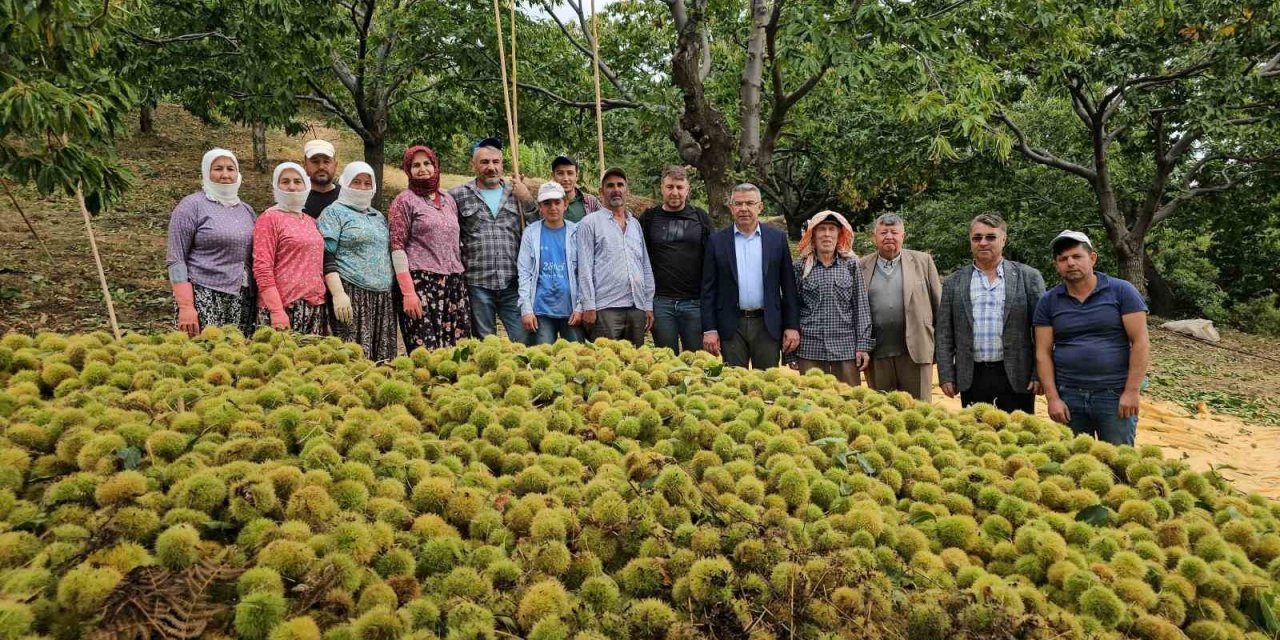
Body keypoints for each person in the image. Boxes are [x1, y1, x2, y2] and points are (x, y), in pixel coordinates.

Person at [1034, 230, 1150, 445]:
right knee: (1074, 461)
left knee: (1118, 460)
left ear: (1092, 258)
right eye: (1063, 259)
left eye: (1077, 256)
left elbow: (1140, 343)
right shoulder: (1049, 301)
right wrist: (1053, 399)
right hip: (1069, 395)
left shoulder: (1122, 291)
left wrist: (1132, 391)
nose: (1070, 263)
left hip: (1113, 394)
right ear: (1056, 265)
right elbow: (1043, 352)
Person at [936, 213, 1046, 413]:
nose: (983, 243)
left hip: (1017, 376)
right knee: (977, 438)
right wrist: (946, 375)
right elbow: (944, 333)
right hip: (972, 377)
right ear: (970, 241)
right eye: (977, 238)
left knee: (1020, 439)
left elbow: (1042, 332)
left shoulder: (1028, 277)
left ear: (1004, 239)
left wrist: (1039, 373)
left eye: (990, 237)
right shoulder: (954, 282)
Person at [448, 138, 538, 343]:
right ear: (473, 165)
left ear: (502, 164)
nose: (491, 167)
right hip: (477, 282)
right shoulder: (458, 195)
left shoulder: (516, 191)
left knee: (523, 341)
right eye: (484, 162)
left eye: (495, 162)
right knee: (486, 344)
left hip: (512, 281)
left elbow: (537, 228)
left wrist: (527, 199)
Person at [701, 184, 799, 369]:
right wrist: (710, 329)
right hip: (731, 325)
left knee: (767, 384)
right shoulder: (717, 241)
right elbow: (708, 289)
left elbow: (789, 287)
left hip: (767, 324)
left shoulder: (776, 239)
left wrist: (791, 325)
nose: (743, 208)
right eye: (738, 203)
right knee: (734, 385)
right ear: (731, 208)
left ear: (760, 207)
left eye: (749, 203)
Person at [166, 148, 257, 337]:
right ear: (206, 172)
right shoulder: (191, 206)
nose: (225, 175)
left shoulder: (246, 211)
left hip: (241, 295)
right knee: (204, 353)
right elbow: (176, 258)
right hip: (204, 294)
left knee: (237, 356)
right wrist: (185, 305)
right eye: (218, 169)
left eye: (230, 169)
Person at [388, 145, 470, 351]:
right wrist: (408, 292)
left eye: (427, 163)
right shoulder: (404, 201)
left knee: (457, 351)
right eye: (416, 165)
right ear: (408, 170)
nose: (423, 169)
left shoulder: (448, 199)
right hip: (422, 284)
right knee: (426, 352)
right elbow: (397, 247)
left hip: (453, 282)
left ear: (435, 166)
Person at [858, 214, 942, 401]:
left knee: (920, 413)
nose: (889, 236)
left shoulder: (923, 262)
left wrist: (940, 350)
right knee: (880, 413)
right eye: (883, 232)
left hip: (916, 352)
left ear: (903, 235)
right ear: (874, 237)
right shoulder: (861, 265)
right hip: (877, 354)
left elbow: (939, 308)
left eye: (894, 232)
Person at [318, 162, 397, 360]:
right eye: (356, 182)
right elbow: (326, 254)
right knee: (353, 359)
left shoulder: (378, 216)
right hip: (351, 294)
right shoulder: (333, 213)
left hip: (382, 298)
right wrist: (338, 293)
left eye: (367, 183)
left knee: (382, 362)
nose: (362, 188)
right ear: (344, 183)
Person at [790, 211, 872, 386]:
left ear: (839, 234)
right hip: (809, 350)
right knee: (812, 406)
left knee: (849, 403)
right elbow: (791, 308)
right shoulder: (799, 267)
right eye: (822, 229)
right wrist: (790, 352)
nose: (827, 234)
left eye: (832, 229)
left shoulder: (851, 265)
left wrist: (863, 346)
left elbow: (861, 307)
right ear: (813, 234)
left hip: (845, 349)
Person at [575, 168, 655, 346]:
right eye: (610, 185)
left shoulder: (635, 225)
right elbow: (584, 268)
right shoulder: (590, 223)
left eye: (620, 185)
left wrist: (647, 304)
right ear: (601, 191)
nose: (616, 189)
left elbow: (645, 266)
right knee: (607, 365)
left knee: (634, 366)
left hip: (636, 307)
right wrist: (588, 306)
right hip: (605, 308)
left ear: (627, 190)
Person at [640, 166, 714, 353]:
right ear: (662, 187)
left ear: (687, 189)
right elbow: (639, 258)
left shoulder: (700, 217)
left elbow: (712, 259)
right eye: (670, 186)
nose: (675, 192)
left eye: (679, 187)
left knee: (698, 361)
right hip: (661, 302)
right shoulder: (649, 218)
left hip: (694, 303)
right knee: (665, 361)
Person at [251, 162, 329, 335]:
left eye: (297, 181)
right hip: (282, 307)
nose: (292, 187)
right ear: (276, 186)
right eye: (285, 182)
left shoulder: (311, 221)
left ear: (306, 185)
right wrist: (276, 310)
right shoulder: (269, 218)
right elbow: (262, 267)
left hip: (313, 306)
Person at [518, 182, 584, 344]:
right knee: (543, 357)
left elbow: (584, 272)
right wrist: (526, 308)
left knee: (576, 357)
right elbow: (524, 272)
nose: (553, 207)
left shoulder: (576, 232)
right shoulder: (531, 233)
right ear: (540, 207)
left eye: (557, 202)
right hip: (541, 310)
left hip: (570, 309)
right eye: (547, 203)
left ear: (565, 204)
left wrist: (580, 306)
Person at [551, 155, 601, 223]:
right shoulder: (545, 205)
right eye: (560, 173)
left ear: (577, 176)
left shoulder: (591, 202)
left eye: (570, 173)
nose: (565, 178)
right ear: (553, 176)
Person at [302, 140, 341, 219]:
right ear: (305, 165)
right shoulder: (295, 199)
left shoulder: (347, 196)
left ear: (335, 165)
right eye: (315, 162)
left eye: (326, 161)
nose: (321, 167)